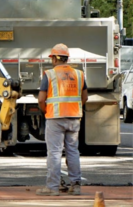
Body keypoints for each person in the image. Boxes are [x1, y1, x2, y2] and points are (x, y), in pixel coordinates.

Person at [36, 43, 87, 196]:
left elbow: (40, 99)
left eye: (52, 57)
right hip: (74, 118)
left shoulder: (49, 74)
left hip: (55, 118)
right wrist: (75, 109)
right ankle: (76, 186)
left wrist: (47, 111)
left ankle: (52, 188)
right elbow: (84, 97)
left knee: (54, 152)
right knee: (72, 151)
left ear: (56, 58)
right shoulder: (79, 74)